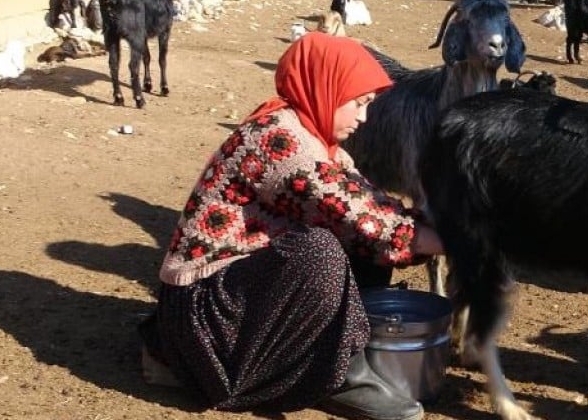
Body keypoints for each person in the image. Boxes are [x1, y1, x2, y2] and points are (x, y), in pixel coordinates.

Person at [139, 32, 446, 420]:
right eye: (359, 103)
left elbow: (368, 200)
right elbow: (372, 222)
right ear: (327, 88)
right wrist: (465, 242)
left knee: (357, 241)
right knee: (320, 252)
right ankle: (332, 376)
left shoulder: (304, 131)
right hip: (205, 317)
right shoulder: (283, 144)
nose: (364, 118)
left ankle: (335, 356)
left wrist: (437, 225)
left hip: (232, 293)